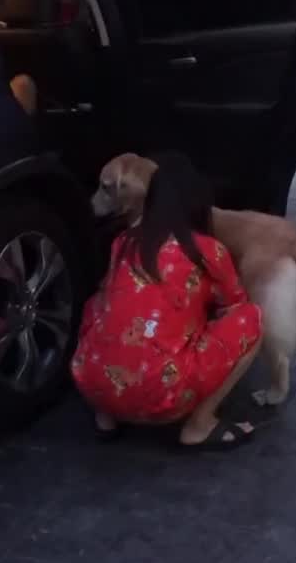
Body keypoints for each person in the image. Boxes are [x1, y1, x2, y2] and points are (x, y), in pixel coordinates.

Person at [71, 152, 263, 449]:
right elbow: (234, 305)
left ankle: (106, 416)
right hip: (163, 396)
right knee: (251, 319)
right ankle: (199, 426)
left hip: (93, 384)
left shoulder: (123, 242)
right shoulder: (209, 250)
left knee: (97, 304)